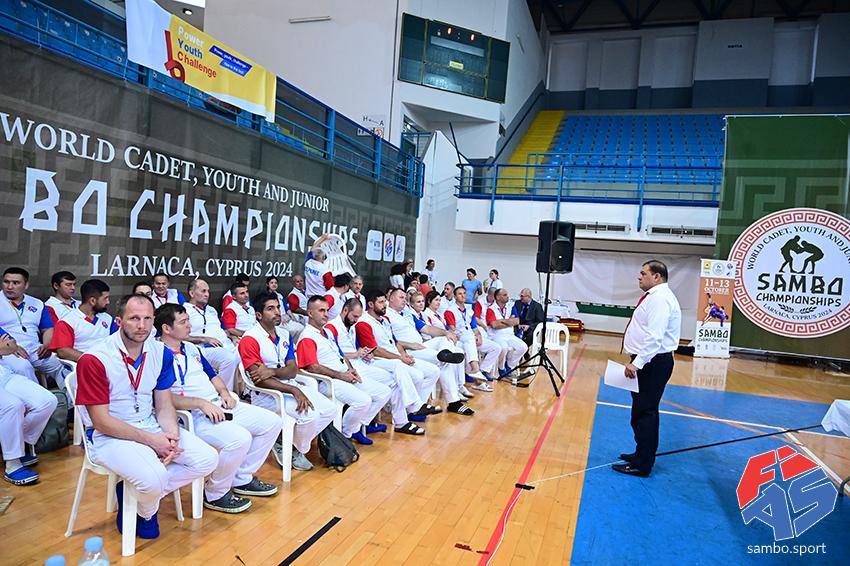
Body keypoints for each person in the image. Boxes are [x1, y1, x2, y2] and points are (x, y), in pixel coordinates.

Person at [75, 294, 218, 538]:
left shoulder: (161, 353)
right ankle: (147, 510)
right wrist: (153, 441)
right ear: (119, 321)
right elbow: (101, 421)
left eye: (147, 319)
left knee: (208, 459)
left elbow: (163, 405)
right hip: (108, 435)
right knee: (154, 478)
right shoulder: (95, 359)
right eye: (134, 318)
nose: (141, 326)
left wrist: (170, 437)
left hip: (150, 425)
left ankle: (134, 496)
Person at [156, 303, 280, 513]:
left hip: (217, 403)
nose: (189, 325)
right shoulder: (157, 354)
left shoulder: (191, 348)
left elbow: (212, 375)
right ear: (166, 328)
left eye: (188, 320)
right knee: (239, 439)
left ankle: (241, 478)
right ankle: (215, 493)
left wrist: (224, 392)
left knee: (273, 423)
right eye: (183, 322)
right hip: (192, 414)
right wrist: (200, 403)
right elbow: (162, 398)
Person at [237, 292, 336, 471]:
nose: (277, 312)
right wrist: (293, 390)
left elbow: (292, 370)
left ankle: (289, 444)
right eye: (270, 309)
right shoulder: (250, 339)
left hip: (289, 384)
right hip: (267, 395)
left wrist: (273, 371)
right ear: (258, 315)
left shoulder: (284, 334)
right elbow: (259, 381)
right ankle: (291, 446)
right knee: (311, 416)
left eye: (277, 307)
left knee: (330, 410)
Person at [615, 260, 682, 478]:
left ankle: (643, 464)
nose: (639, 276)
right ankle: (640, 453)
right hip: (650, 361)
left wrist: (637, 363)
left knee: (646, 412)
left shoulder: (660, 299)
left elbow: (655, 337)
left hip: (653, 362)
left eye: (643, 273)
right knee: (640, 411)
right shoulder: (655, 297)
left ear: (657, 276)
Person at [296, 295, 390, 445]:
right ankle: (346, 435)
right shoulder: (307, 336)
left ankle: (355, 427)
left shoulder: (327, 333)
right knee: (363, 401)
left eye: (327, 310)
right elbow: (312, 367)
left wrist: (351, 369)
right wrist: (341, 375)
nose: (326, 314)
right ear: (310, 313)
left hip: (344, 374)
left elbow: (341, 355)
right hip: (329, 382)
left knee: (383, 392)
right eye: (321, 310)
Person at [326, 298, 418, 437]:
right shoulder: (331, 327)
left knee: (395, 381)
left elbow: (353, 348)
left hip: (360, 362)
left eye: (358, 317)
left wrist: (365, 353)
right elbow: (334, 354)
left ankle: (401, 422)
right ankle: (357, 427)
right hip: (347, 367)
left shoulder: (351, 325)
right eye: (354, 316)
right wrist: (355, 354)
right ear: (345, 310)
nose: (356, 320)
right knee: (384, 390)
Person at [354, 290, 439, 434]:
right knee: (398, 370)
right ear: (371, 304)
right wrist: (400, 359)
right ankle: (413, 407)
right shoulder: (364, 323)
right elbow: (375, 351)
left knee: (418, 376)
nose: (384, 305)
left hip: (394, 358)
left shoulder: (385, 320)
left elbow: (396, 342)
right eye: (381, 302)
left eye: (384, 301)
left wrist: (403, 354)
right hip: (377, 361)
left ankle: (404, 419)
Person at [401, 291, 474, 415]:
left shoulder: (408, 315)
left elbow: (427, 329)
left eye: (404, 298)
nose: (404, 300)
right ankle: (454, 402)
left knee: (444, 339)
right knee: (444, 361)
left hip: (421, 345)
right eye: (401, 298)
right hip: (409, 350)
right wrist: (407, 346)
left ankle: (445, 352)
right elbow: (393, 341)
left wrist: (446, 332)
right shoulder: (392, 317)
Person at [1, 334, 58, 485]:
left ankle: (15, 445)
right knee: (13, 405)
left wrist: (6, 348)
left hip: (3, 373)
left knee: (47, 401)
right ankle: (12, 463)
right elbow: (4, 348)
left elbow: (12, 345)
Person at [0, 267, 68, 389]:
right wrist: (12, 345)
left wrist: (47, 345)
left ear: (26, 285)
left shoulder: (37, 303)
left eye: (15, 283)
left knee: (61, 365)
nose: (10, 286)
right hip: (8, 351)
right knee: (24, 367)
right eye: (6, 282)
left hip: (34, 349)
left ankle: (70, 398)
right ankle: (38, 400)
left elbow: (48, 329)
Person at [184, 278, 240, 389]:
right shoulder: (184, 310)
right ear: (192, 293)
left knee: (247, 352)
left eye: (208, 291)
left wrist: (233, 337)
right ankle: (223, 392)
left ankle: (245, 392)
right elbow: (181, 337)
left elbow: (223, 329)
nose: (207, 294)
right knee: (229, 359)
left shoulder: (211, 310)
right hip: (204, 348)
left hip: (226, 344)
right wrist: (205, 339)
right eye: (203, 291)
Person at [444, 286, 503, 391]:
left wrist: (479, 336)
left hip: (470, 336)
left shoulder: (469, 309)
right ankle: (477, 375)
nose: (463, 296)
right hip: (459, 336)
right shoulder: (450, 311)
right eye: (460, 294)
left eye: (464, 293)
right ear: (455, 296)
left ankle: (481, 371)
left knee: (496, 347)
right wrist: (467, 335)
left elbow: (474, 327)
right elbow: (452, 328)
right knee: (469, 338)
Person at [49, 279, 117, 362]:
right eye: (105, 298)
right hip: (82, 365)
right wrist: (94, 360)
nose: (108, 302)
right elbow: (63, 351)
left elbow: (117, 341)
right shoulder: (67, 322)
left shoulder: (108, 319)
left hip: (109, 363)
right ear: (92, 301)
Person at [486, 289, 528, 376]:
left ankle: (509, 365)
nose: (507, 296)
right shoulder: (490, 309)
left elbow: (516, 321)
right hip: (496, 335)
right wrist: (509, 321)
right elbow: (494, 325)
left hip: (510, 335)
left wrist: (501, 321)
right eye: (505, 295)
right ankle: (501, 367)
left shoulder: (511, 307)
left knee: (523, 347)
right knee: (503, 348)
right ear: (498, 297)